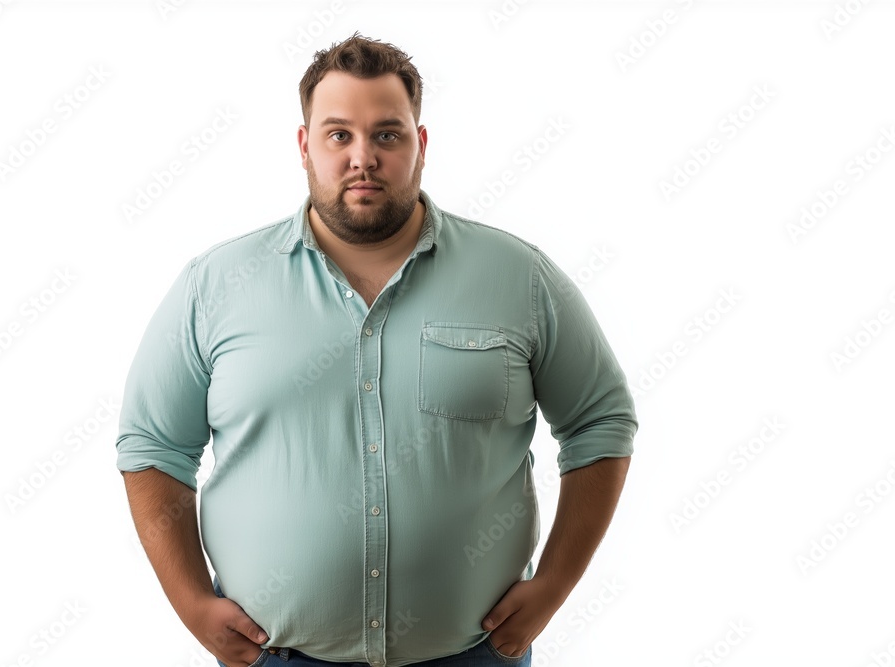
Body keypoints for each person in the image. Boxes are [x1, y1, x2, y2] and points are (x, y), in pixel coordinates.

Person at [115, 32, 637, 667]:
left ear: (421, 144)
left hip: (473, 656)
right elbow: (152, 446)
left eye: (387, 134)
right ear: (305, 147)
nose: (363, 156)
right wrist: (191, 601)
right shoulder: (215, 285)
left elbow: (600, 422)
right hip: (276, 658)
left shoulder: (518, 278)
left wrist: (554, 585)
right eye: (339, 135)